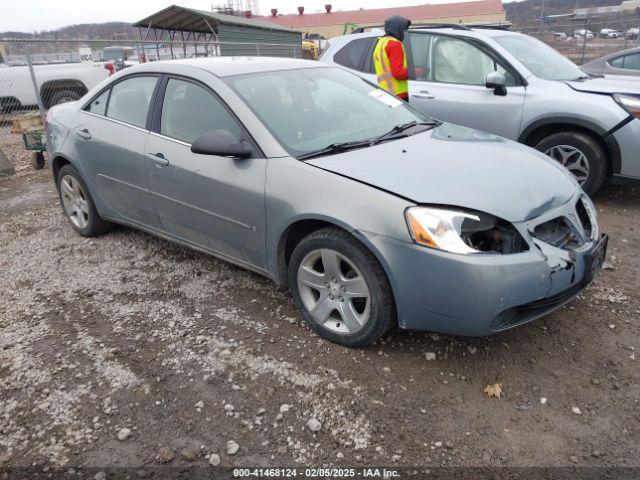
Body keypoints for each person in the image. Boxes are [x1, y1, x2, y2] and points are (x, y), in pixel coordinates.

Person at [373, 16, 412, 101]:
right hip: (398, 94)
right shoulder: (395, 44)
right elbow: (398, 73)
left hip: (385, 92)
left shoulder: (381, 43)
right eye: (404, 29)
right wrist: (416, 72)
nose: (405, 33)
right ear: (397, 29)